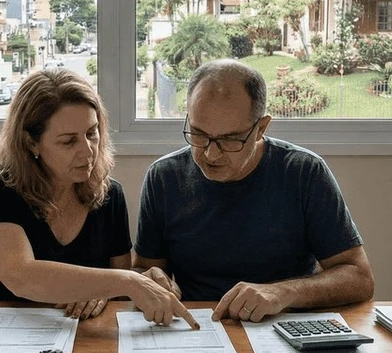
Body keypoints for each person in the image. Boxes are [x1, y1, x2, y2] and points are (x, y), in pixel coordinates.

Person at [133, 59, 374, 323]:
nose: (211, 154)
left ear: (260, 128)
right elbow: (146, 268)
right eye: (199, 134)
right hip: (198, 327)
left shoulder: (304, 172)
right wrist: (148, 280)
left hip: (284, 324)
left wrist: (282, 292)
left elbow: (359, 277)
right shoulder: (164, 177)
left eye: (230, 139)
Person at [0, 68, 196, 328]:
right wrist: (126, 281)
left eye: (92, 133)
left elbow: (115, 285)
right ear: (30, 143)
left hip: (78, 337)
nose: (87, 151)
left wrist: (136, 282)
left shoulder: (109, 195)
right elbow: (22, 276)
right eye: (68, 141)